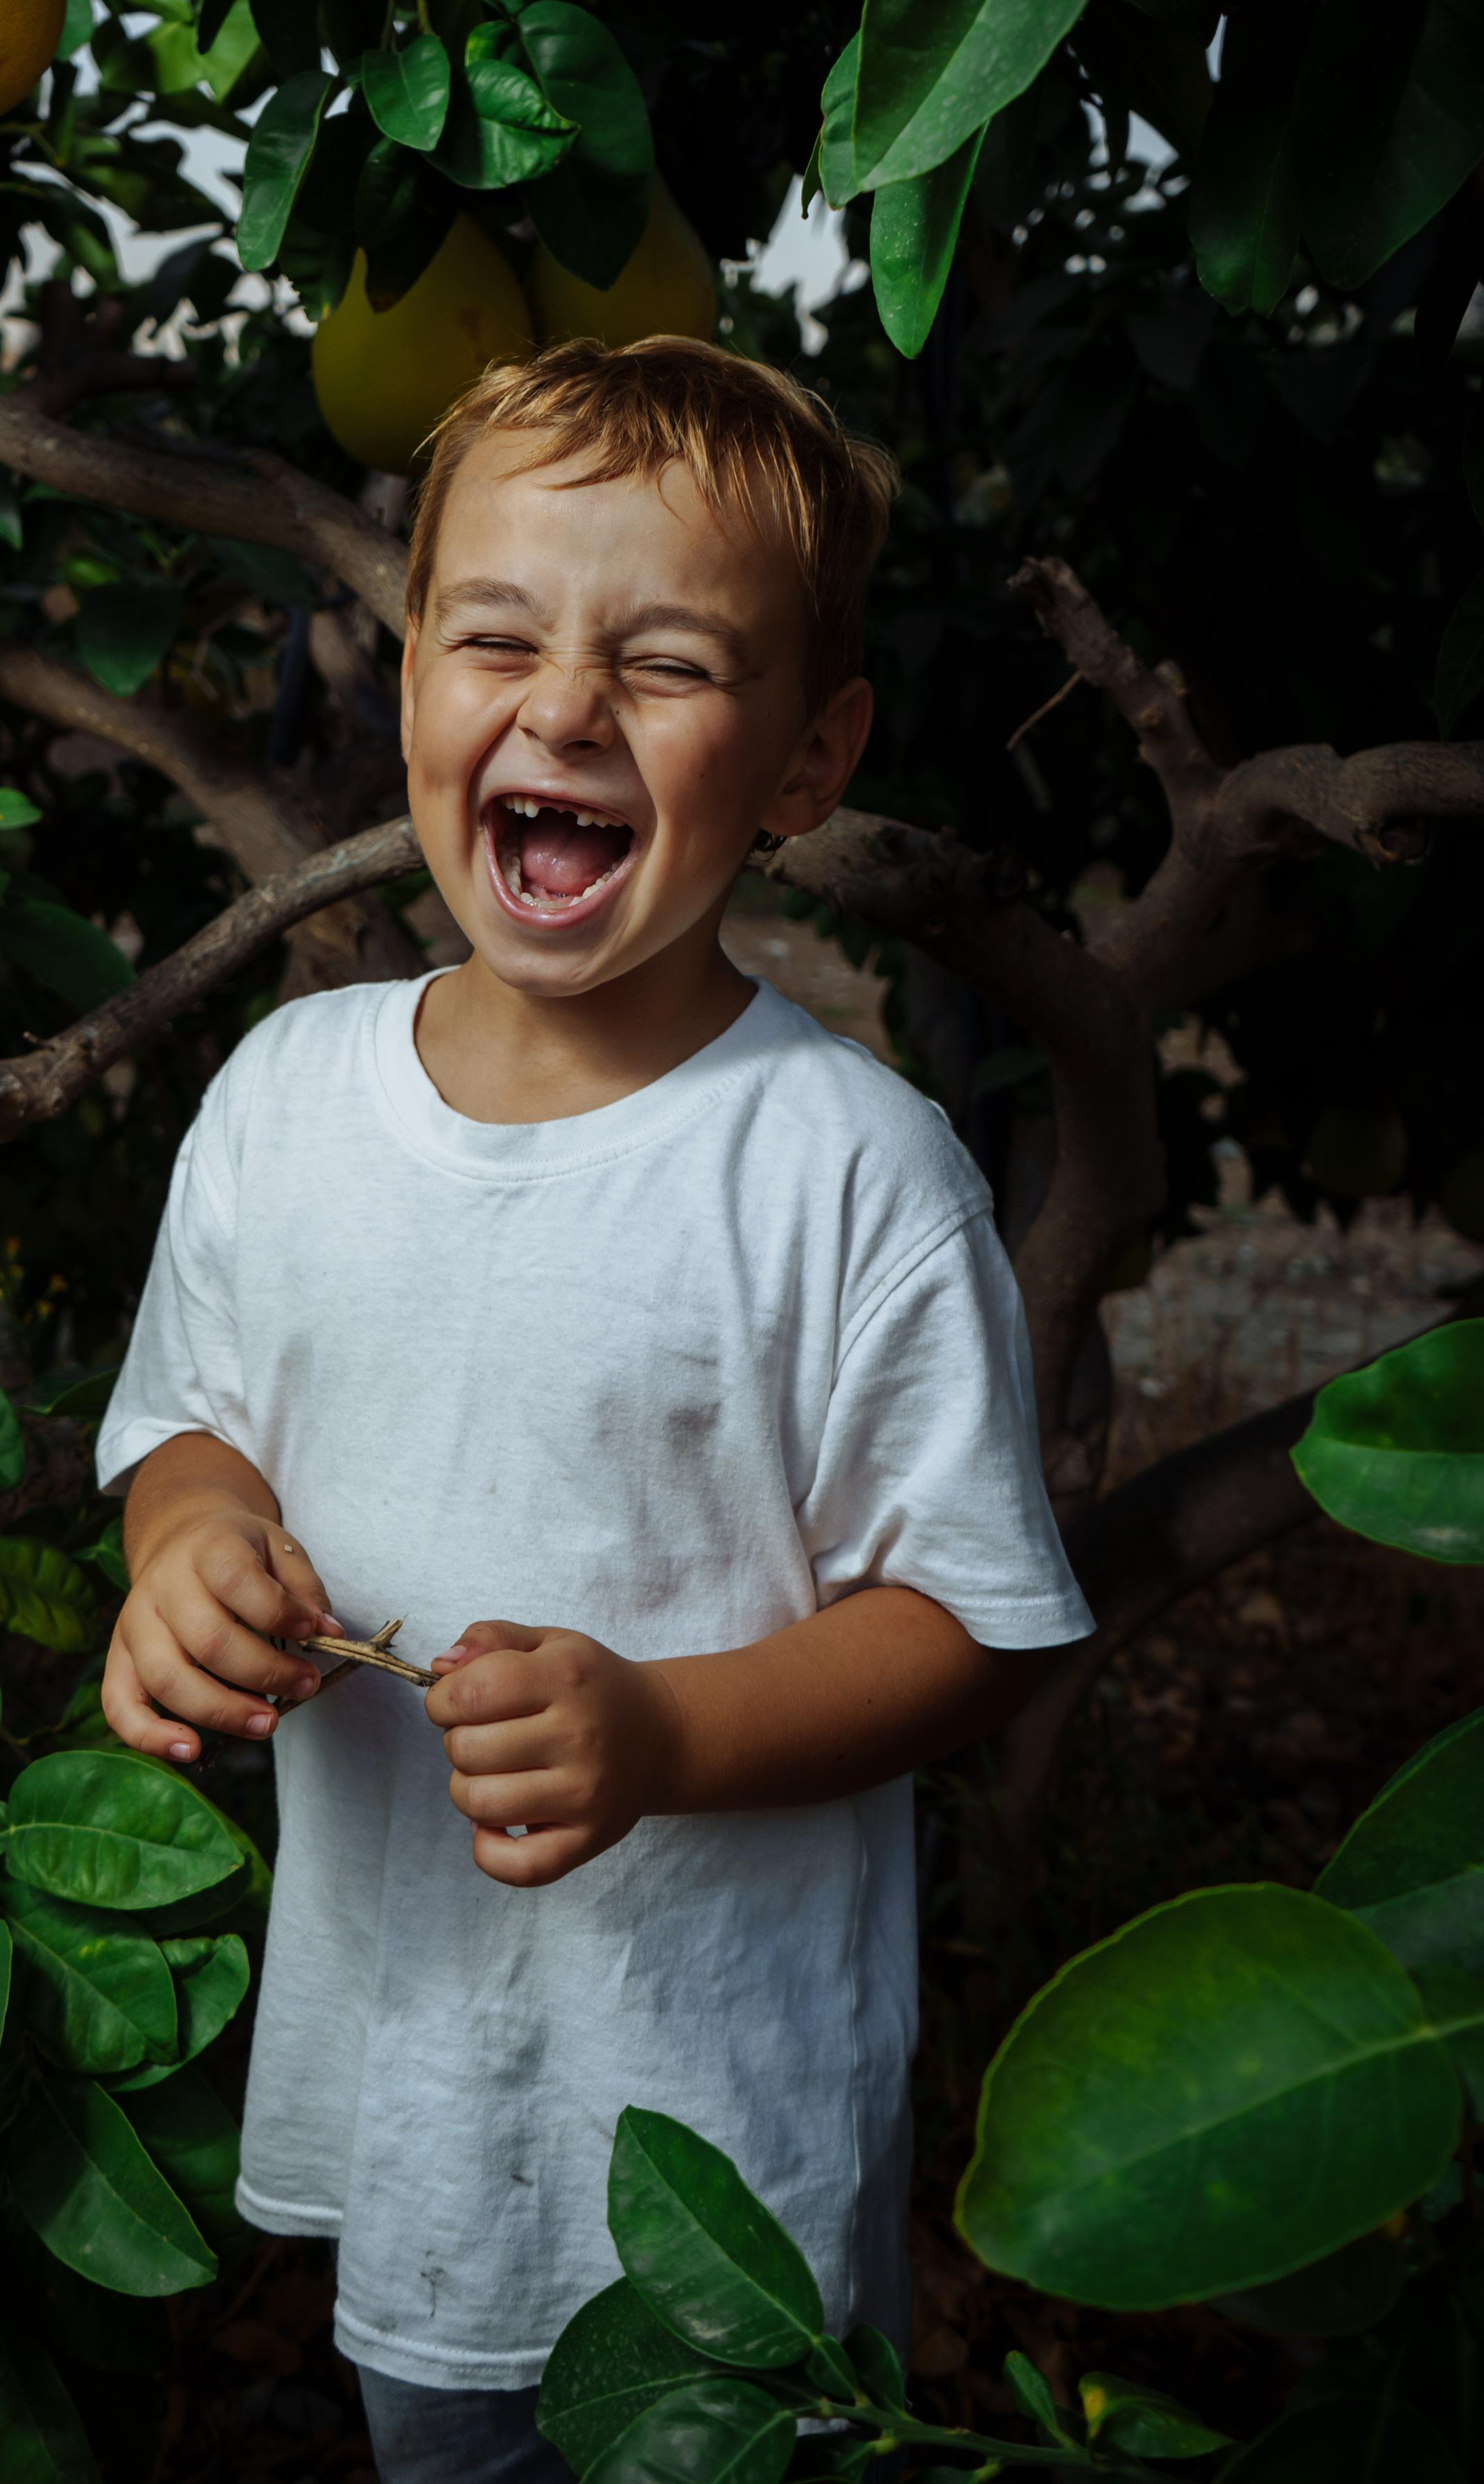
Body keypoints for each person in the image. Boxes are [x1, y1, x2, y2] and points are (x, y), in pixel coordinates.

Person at [94, 335, 1092, 2484]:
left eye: (664, 662)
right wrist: (184, 1542)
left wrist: (664, 1735)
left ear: (809, 761)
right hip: (416, 2093)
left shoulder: (847, 1170)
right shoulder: (285, 1101)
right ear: (410, 686)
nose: (561, 707)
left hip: (710, 2133)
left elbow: (978, 1622)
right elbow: (192, 1418)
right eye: (496, 637)